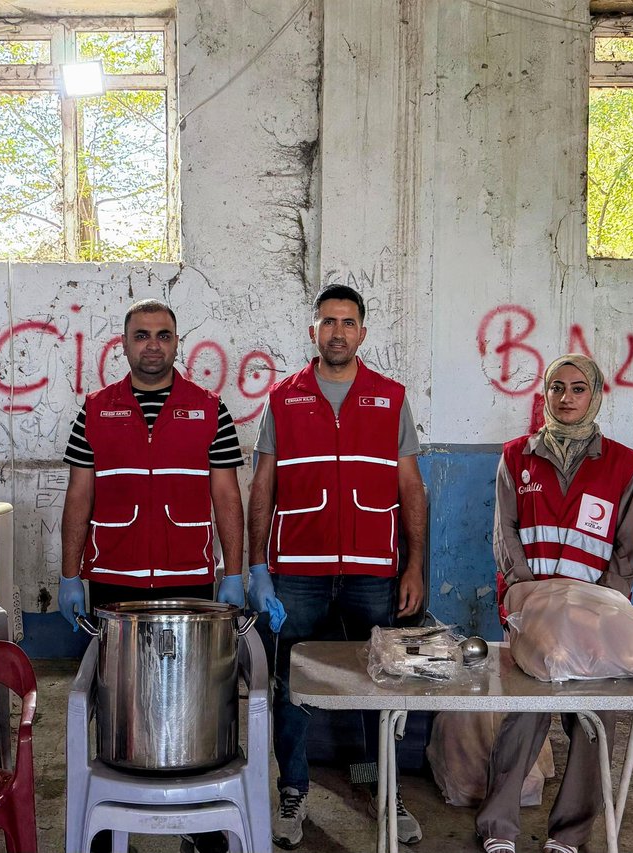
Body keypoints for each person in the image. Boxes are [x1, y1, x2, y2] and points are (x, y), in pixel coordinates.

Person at [56, 298, 245, 853]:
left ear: (177, 342)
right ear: (124, 344)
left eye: (163, 335)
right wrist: (70, 575)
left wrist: (234, 572)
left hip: (190, 586)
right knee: (116, 711)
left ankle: (202, 827)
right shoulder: (95, 410)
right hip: (115, 585)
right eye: (142, 335)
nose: (153, 345)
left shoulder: (210, 410)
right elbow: (78, 497)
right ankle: (109, 826)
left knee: (199, 713)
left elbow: (227, 497)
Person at [246, 284, 428, 850]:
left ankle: (387, 791)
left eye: (348, 323)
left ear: (363, 333)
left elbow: (411, 488)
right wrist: (256, 568)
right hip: (298, 570)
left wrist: (414, 564)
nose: (338, 332)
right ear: (313, 331)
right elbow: (262, 487)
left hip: (375, 570)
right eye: (328, 322)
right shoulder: (284, 399)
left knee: (384, 682)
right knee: (292, 683)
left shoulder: (391, 398)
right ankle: (292, 789)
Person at [476, 353, 633, 853]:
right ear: (544, 395)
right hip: (533, 614)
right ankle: (497, 829)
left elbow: (626, 545)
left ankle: (568, 835)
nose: (565, 398)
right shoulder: (515, 457)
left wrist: (604, 610)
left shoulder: (623, 464)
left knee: (594, 723)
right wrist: (526, 599)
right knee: (524, 717)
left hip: (594, 618)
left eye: (577, 389)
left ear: (595, 395)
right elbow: (505, 533)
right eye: (556, 389)